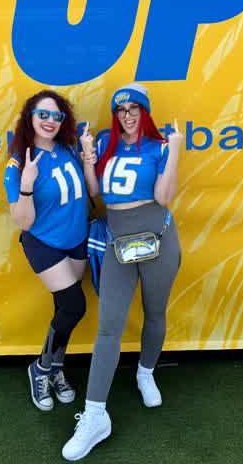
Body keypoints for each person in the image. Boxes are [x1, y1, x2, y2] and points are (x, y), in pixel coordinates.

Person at [62, 83, 183, 460]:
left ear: (145, 112)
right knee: (108, 327)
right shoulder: (106, 143)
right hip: (118, 245)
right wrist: (88, 158)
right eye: (121, 110)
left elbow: (164, 197)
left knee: (155, 312)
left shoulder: (160, 146)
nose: (127, 116)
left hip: (159, 241)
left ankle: (145, 373)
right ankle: (95, 415)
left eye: (134, 109)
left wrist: (175, 150)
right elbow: (95, 191)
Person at [4, 90, 89, 412]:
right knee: (74, 306)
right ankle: (40, 368)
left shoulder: (67, 149)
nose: (50, 121)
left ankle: (56, 368)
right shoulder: (18, 163)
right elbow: (24, 222)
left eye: (57, 115)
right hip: (44, 243)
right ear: (30, 118)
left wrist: (88, 158)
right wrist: (27, 183)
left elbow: (86, 191)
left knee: (62, 309)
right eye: (43, 114)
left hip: (77, 239)